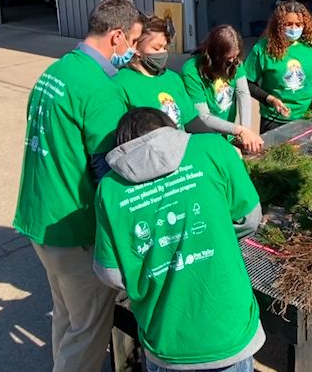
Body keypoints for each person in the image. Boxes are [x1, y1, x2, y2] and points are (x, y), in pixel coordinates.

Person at [13, 0, 143, 372]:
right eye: (133, 43)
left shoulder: (54, 73)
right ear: (116, 37)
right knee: (88, 332)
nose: (133, 52)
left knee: (67, 317)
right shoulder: (98, 88)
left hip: (40, 221)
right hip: (76, 229)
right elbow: (111, 172)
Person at [93, 108, 265, 372]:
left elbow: (111, 274)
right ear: (170, 128)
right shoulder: (212, 148)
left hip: (167, 340)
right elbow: (249, 219)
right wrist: (214, 238)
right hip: (228, 330)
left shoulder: (110, 188)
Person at [243, 0, 312, 132]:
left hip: (306, 117)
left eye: (298, 24)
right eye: (288, 24)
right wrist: (270, 99)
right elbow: (247, 82)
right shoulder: (262, 49)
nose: (294, 28)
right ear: (279, 25)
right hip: (274, 119)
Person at [181, 24, 265, 156]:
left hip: (229, 133)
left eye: (235, 57)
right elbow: (203, 116)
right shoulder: (191, 71)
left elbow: (243, 93)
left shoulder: (235, 62)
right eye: (228, 59)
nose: (232, 61)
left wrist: (245, 130)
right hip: (206, 137)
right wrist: (238, 130)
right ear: (215, 55)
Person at [115, 15, 200, 131]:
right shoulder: (120, 83)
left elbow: (191, 120)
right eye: (156, 48)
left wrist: (218, 143)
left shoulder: (172, 78)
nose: (163, 53)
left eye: (164, 48)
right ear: (136, 48)